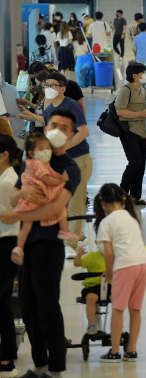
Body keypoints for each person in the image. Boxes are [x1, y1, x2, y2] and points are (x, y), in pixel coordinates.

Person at [0, 108, 82, 376]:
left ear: (71, 135)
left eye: (65, 127)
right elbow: (14, 196)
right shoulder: (31, 157)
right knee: (27, 304)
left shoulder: (69, 168)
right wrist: (21, 194)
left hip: (48, 245)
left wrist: (17, 214)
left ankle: (56, 365)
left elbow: (54, 209)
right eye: (54, 124)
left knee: (47, 306)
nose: (58, 129)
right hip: (26, 244)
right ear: (45, 127)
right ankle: (39, 363)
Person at [22, 72, 91, 257]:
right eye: (47, 85)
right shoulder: (47, 104)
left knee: (75, 202)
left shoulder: (71, 105)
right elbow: (49, 123)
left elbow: (84, 132)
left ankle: (72, 244)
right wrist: (29, 116)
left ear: (62, 89)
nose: (48, 89)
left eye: (53, 85)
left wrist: (64, 147)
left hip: (78, 159)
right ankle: (78, 233)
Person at [93, 183, 146, 363]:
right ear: (123, 199)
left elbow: (109, 253)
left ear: (103, 203)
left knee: (117, 309)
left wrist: (109, 272)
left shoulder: (107, 222)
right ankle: (131, 350)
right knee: (135, 308)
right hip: (143, 263)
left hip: (125, 266)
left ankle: (115, 351)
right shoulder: (131, 217)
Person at [11, 134, 77, 265]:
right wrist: (60, 180)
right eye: (42, 149)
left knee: (26, 227)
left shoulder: (29, 164)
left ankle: (19, 248)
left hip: (27, 201)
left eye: (48, 148)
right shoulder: (39, 164)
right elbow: (45, 179)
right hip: (40, 196)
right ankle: (64, 231)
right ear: (31, 152)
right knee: (61, 211)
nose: (46, 151)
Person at [115, 63, 146, 206]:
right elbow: (120, 111)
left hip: (141, 132)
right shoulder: (126, 90)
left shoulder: (142, 90)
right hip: (129, 131)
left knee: (141, 165)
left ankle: (135, 196)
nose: (144, 76)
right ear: (135, 75)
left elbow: (140, 109)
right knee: (134, 162)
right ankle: (120, 195)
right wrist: (139, 114)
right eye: (143, 73)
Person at [0, 135, 19, 378]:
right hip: (6, 243)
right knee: (3, 306)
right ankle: (7, 361)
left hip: (5, 245)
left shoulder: (7, 182)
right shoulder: (7, 178)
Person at [72, 231, 110, 336]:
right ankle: (91, 324)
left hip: (110, 285)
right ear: (96, 242)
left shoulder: (114, 256)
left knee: (118, 297)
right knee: (91, 298)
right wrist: (79, 255)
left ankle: (117, 324)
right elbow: (77, 263)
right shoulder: (92, 256)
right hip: (92, 286)